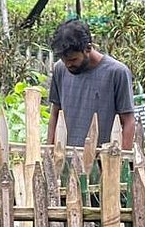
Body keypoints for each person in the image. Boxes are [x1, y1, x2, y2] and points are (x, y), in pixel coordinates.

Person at [47, 19, 135, 150]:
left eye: (73, 59)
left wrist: (124, 162)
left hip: (103, 160)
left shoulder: (117, 72)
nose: (68, 65)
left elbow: (128, 121)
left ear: (88, 48)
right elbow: (55, 113)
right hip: (65, 158)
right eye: (64, 60)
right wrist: (49, 150)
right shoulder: (60, 69)